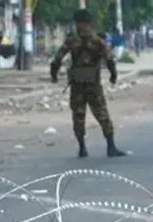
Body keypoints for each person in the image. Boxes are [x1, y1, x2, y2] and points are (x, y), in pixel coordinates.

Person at [50, 9, 127, 158]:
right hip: (93, 82)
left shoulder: (71, 40)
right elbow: (109, 59)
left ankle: (82, 148)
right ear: (90, 23)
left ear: (77, 23)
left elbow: (57, 59)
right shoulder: (97, 41)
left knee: (78, 116)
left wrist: (54, 75)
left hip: (77, 82)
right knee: (102, 114)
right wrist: (113, 75)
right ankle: (111, 147)